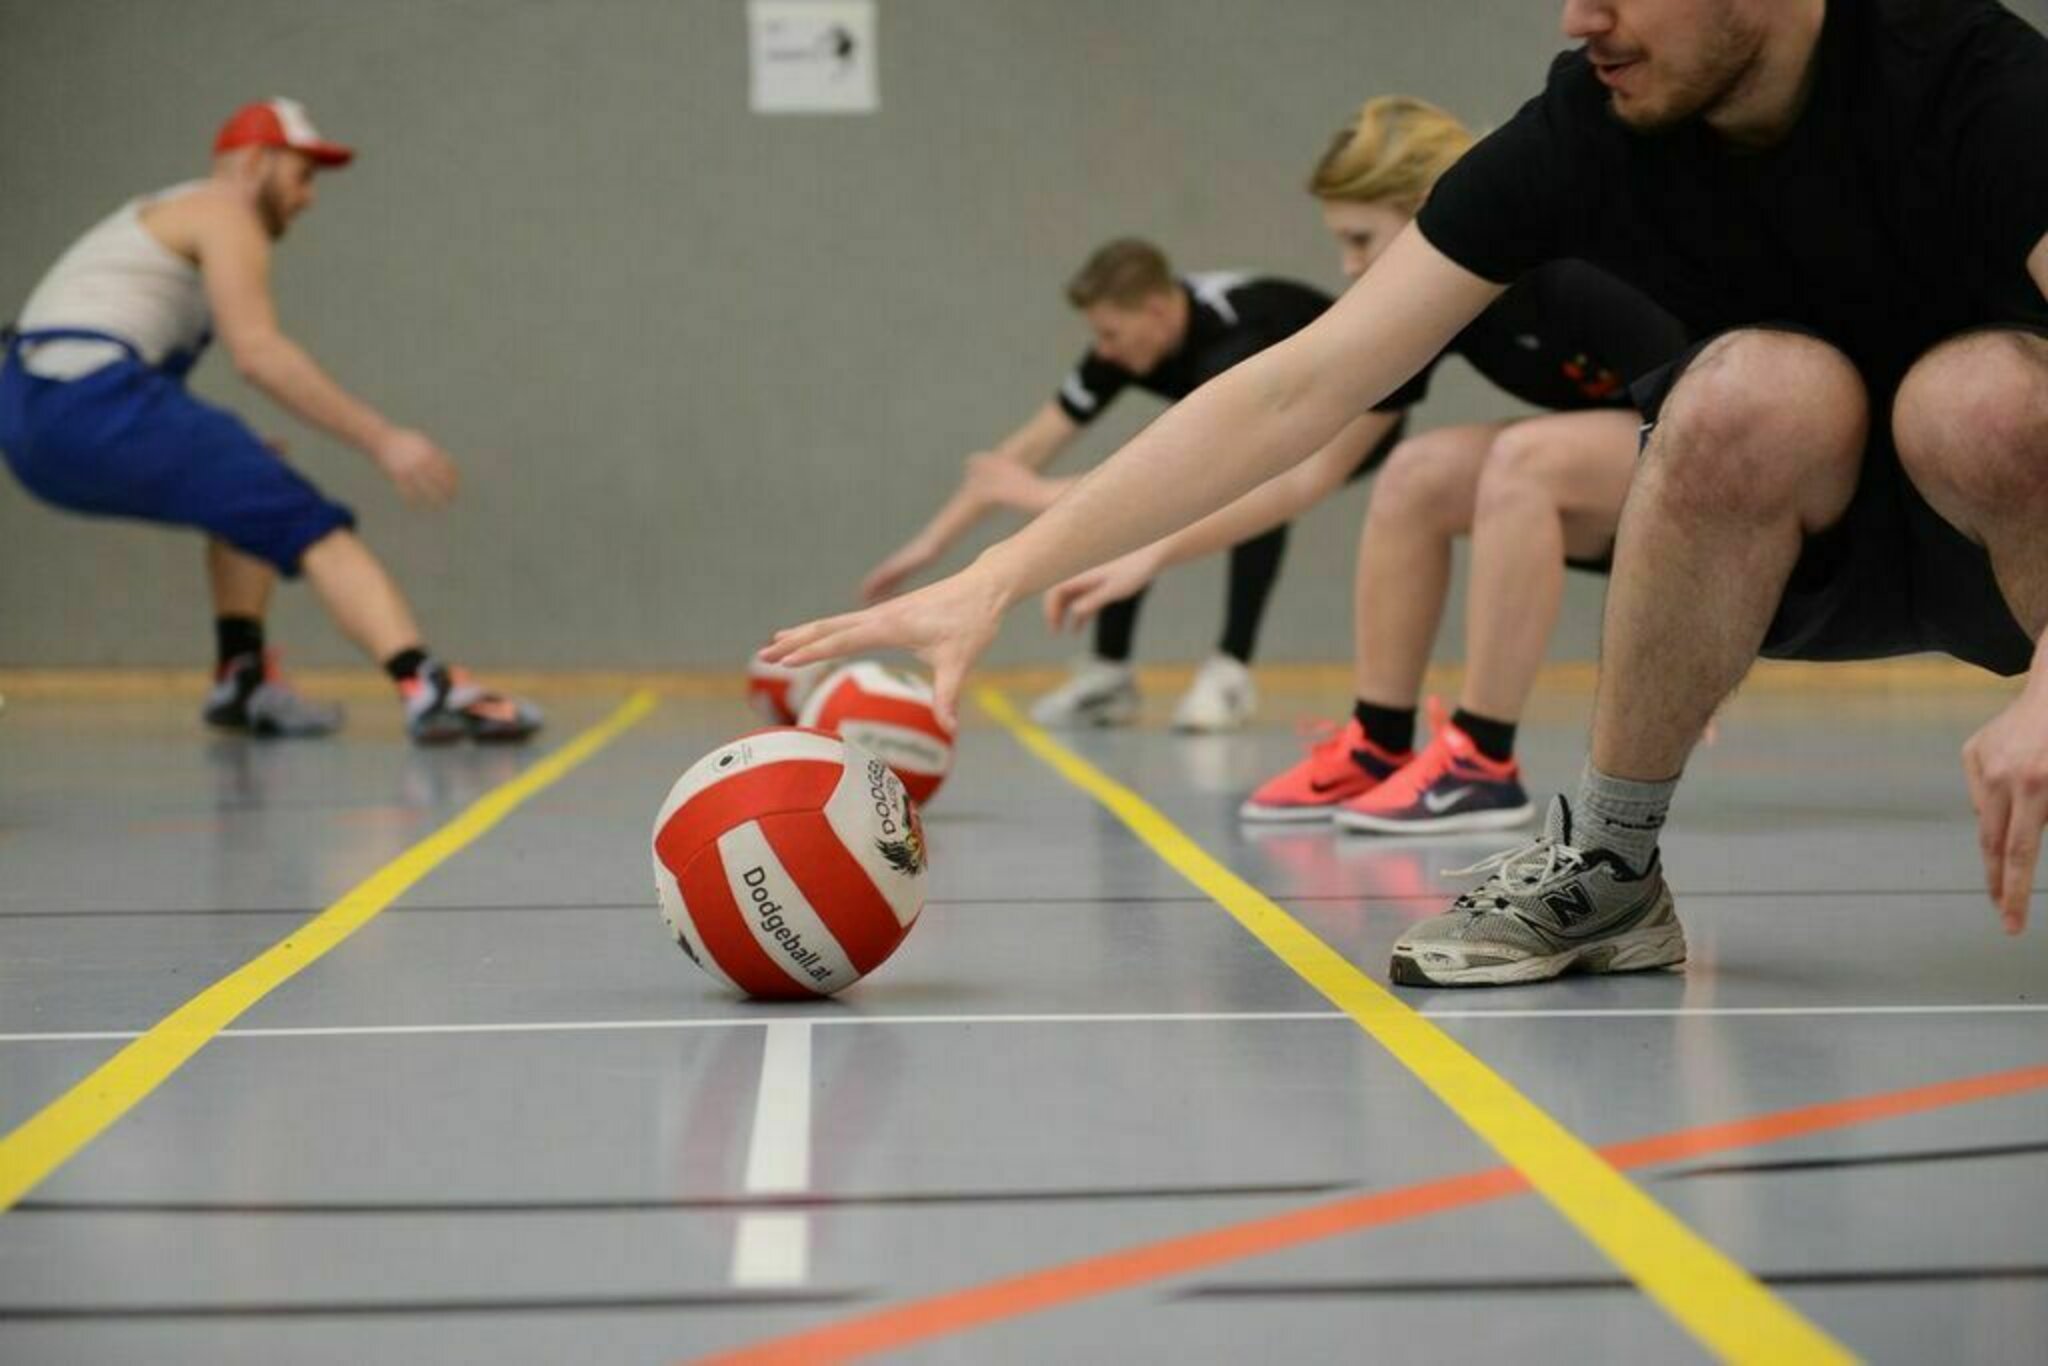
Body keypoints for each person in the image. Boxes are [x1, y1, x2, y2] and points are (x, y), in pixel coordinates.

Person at [767, 0, 2048, 986]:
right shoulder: (1587, 126)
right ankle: (1607, 863)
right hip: (1789, 549)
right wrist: (994, 576)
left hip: (2009, 528)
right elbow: (1297, 389)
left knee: (1978, 393)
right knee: (1743, 390)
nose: (1575, 17)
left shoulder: (1966, 75)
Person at [1043, 96, 1687, 834]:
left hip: (1723, 465)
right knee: (1414, 472)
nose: (1349, 270)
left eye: (1360, 240)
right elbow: (1307, 472)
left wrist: (1671, 634)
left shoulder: (1570, 266)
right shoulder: (1441, 302)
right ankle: (1377, 746)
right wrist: (1152, 552)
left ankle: (1482, 763)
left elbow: (1696, 425)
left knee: (1524, 459)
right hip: (1624, 462)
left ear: (1429, 208)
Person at [0, 99, 541, 744]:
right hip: (90, 397)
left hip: (29, 411)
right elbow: (258, 353)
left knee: (253, 481)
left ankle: (243, 675)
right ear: (256, 163)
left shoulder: (161, 218)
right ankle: (426, 684)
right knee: (310, 521)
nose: (308, 198)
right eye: (301, 175)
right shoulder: (223, 210)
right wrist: (385, 439)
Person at [858, 238, 1403, 732]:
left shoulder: (1233, 342)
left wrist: (1033, 494)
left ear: (1158, 311)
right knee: (1141, 480)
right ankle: (1109, 675)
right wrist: (934, 544)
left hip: (1363, 414)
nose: (1104, 349)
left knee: (1246, 491)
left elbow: (1202, 473)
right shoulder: (1128, 343)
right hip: (1267, 422)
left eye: (1110, 333)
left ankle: (1230, 669)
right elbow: (1021, 453)